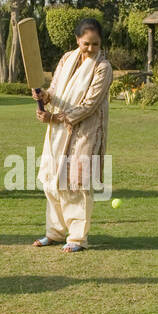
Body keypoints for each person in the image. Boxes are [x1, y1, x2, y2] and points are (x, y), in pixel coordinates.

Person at [32, 18, 112, 252]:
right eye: (86, 43)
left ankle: (77, 238)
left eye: (95, 44)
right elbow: (55, 90)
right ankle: (55, 233)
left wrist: (55, 117)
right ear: (78, 40)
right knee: (51, 182)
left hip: (85, 132)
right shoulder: (67, 58)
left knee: (76, 183)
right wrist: (44, 96)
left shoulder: (103, 67)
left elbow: (89, 105)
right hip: (57, 131)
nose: (90, 48)